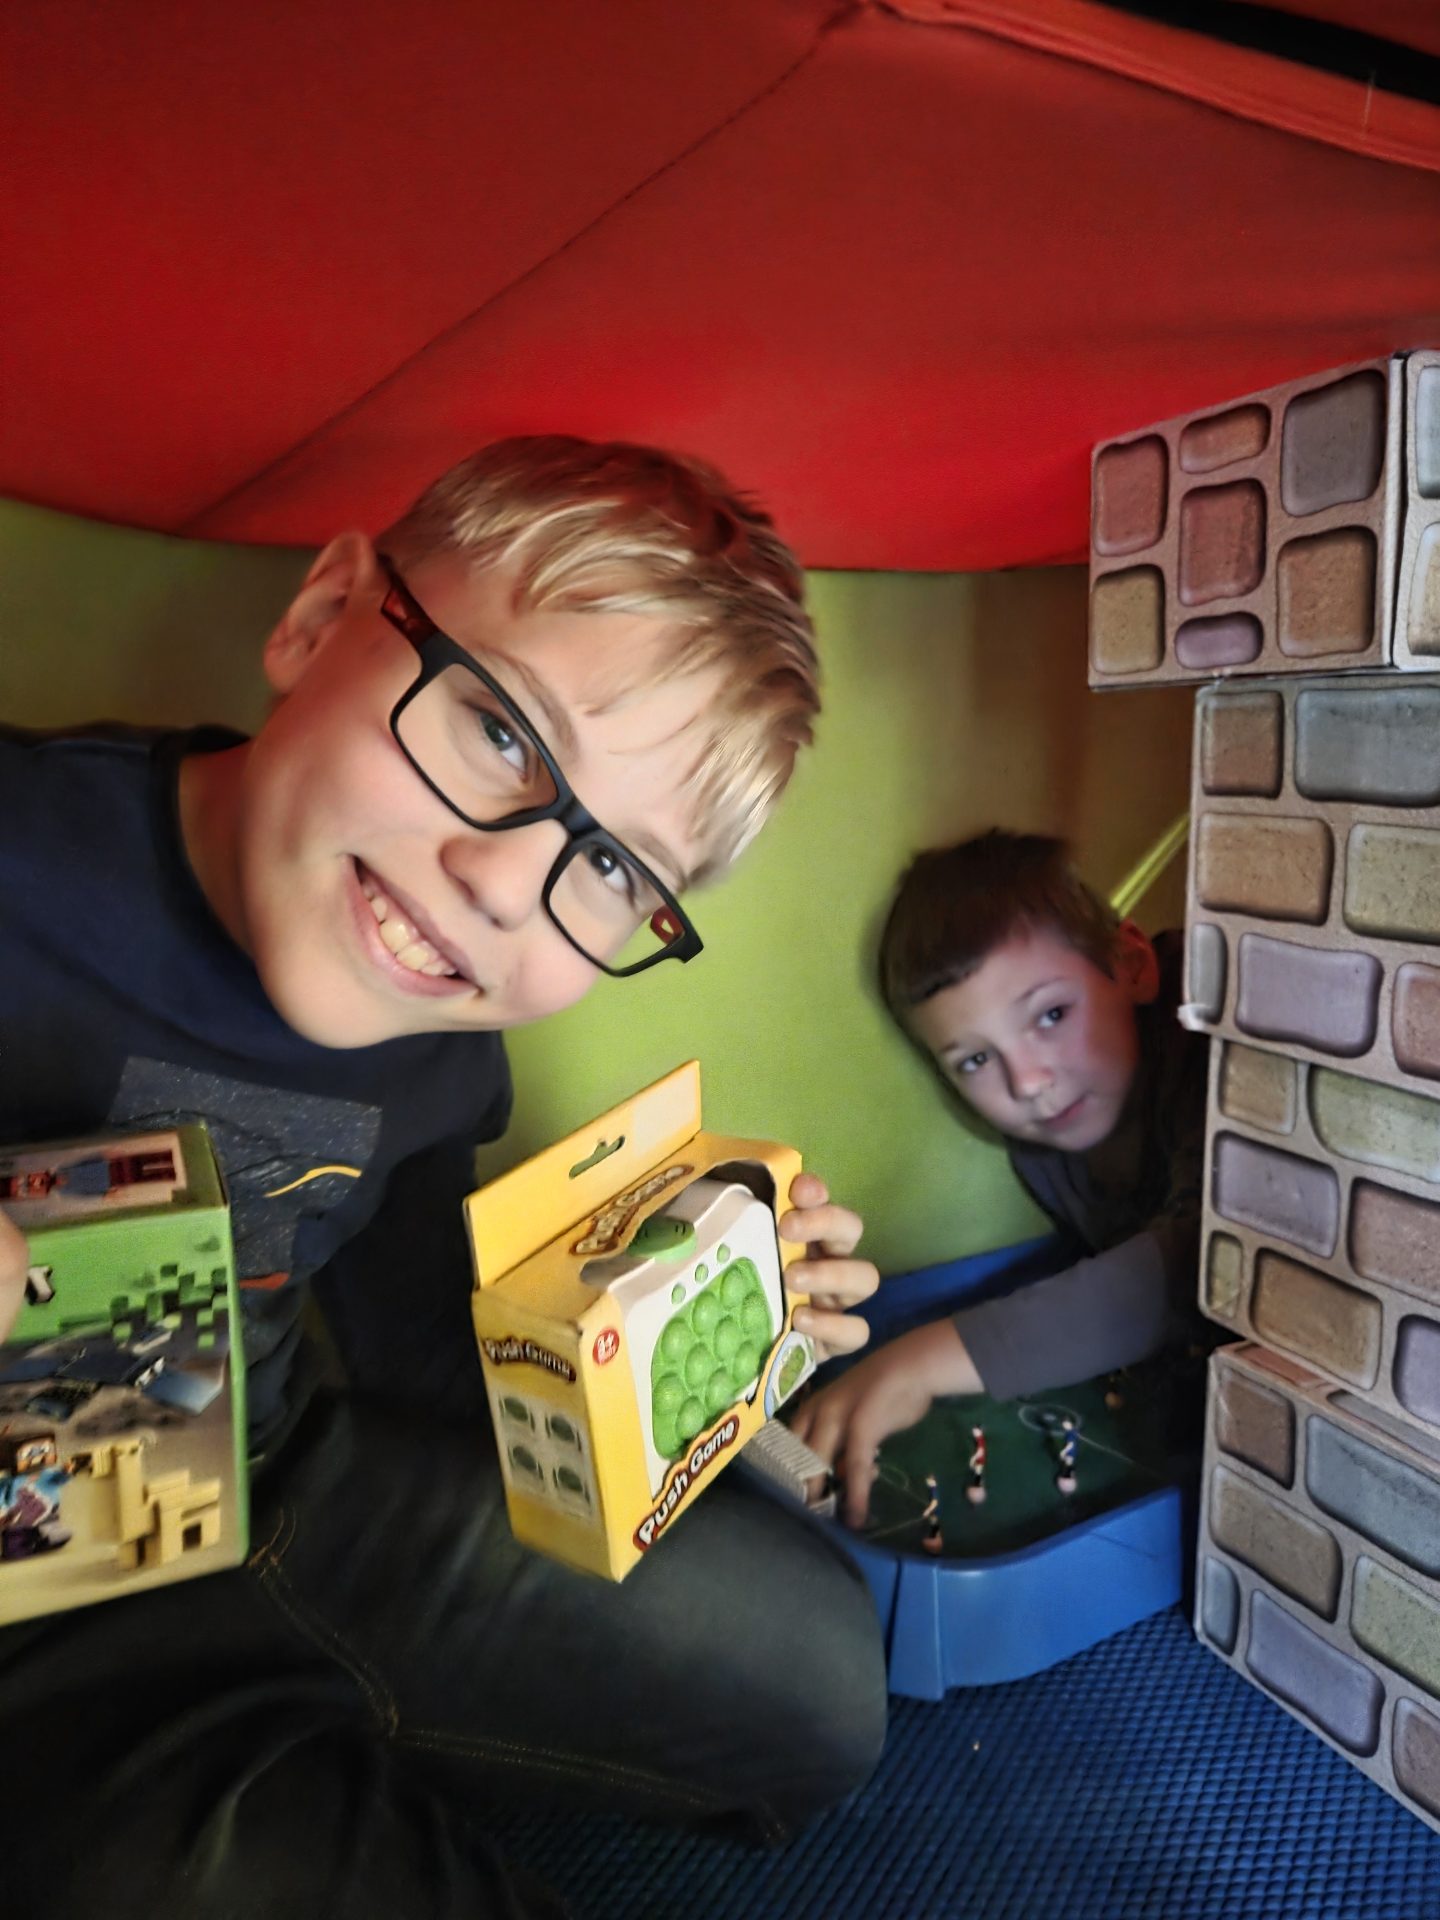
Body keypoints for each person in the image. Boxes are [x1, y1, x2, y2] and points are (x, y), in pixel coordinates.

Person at [0, 437, 888, 1918]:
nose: (502, 883)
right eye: (500, 732)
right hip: (36, 1593)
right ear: (319, 617)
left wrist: (684, 1309)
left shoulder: (444, 1042)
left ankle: (308, 1728)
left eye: (612, 870)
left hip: (286, 1481)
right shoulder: (26, 858)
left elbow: (420, 1342)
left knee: (820, 1675)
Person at [792, 829, 1207, 1527]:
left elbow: (1206, 1263)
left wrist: (921, 1362)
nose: (1028, 1082)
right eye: (976, 1061)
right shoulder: (1044, 1142)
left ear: (1134, 965)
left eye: (1052, 1014)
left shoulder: (1215, 1054)